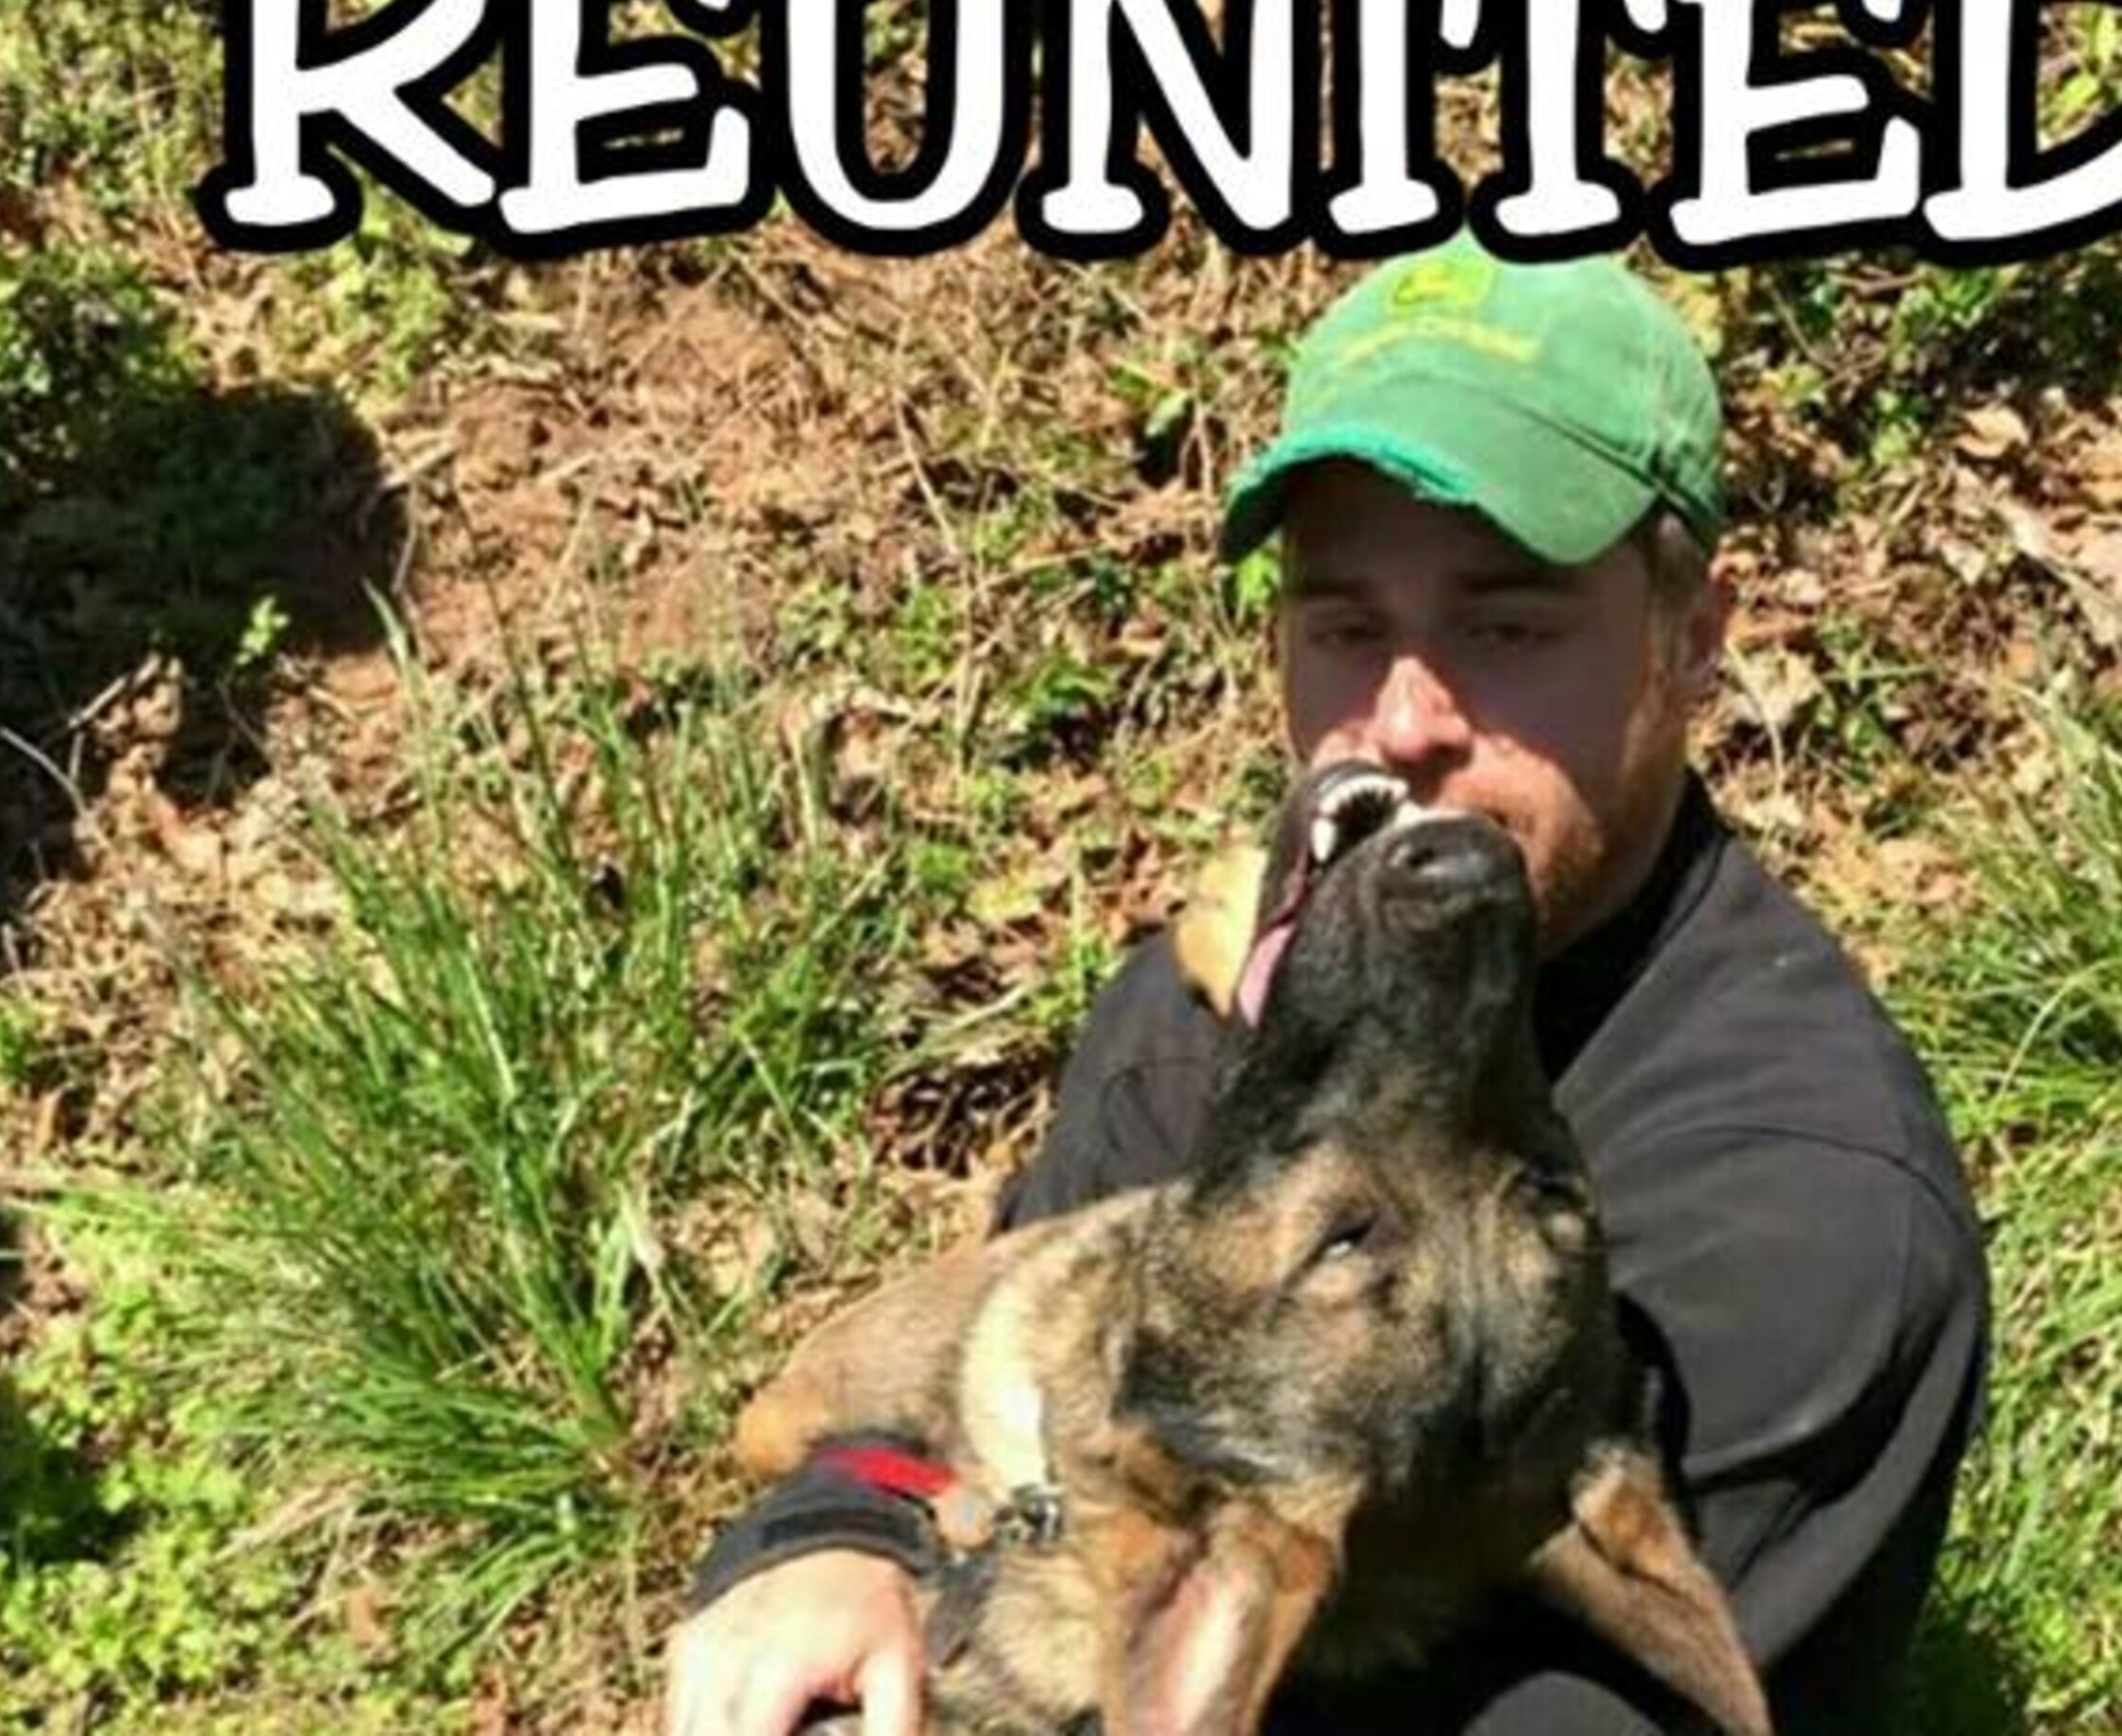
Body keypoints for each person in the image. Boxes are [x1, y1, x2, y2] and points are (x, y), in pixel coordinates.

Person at [664, 238, 1989, 1736]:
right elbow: (1012, 1363)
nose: (1406, 721)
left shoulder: (1795, 1224)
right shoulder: (1237, 995)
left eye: (1507, 626)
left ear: (1691, 644)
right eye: (1349, 628)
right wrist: (841, 1526)